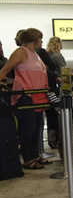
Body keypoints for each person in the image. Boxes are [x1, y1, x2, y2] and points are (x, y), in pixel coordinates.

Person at [0, 28, 51, 169]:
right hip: (25, 95)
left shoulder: (36, 54)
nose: (42, 41)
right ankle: (28, 158)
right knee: (27, 128)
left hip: (39, 95)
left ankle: (35, 155)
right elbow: (5, 68)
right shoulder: (20, 52)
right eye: (40, 38)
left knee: (37, 127)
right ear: (33, 40)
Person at [46, 36, 66, 149]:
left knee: (50, 114)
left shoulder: (46, 55)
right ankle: (59, 138)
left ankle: (51, 139)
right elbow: (63, 71)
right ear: (58, 43)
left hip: (47, 88)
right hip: (56, 87)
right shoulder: (58, 56)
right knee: (59, 113)